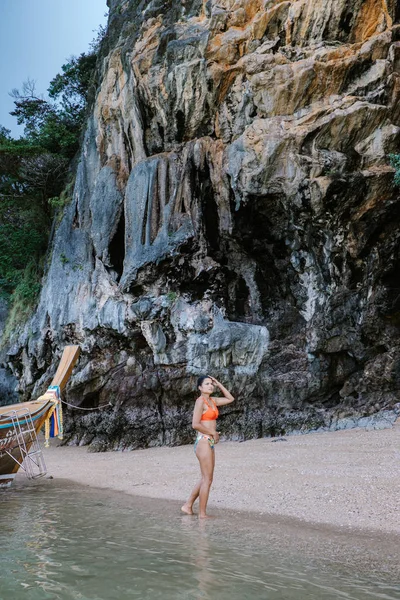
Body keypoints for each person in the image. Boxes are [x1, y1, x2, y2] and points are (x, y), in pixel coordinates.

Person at [181, 375, 234, 519]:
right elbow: (195, 424)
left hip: (209, 441)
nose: (210, 386)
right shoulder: (200, 401)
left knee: (206, 478)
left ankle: (188, 505)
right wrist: (213, 433)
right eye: (207, 384)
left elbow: (230, 399)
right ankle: (202, 514)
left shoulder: (213, 401)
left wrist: (219, 383)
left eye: (211, 384)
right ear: (200, 387)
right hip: (203, 440)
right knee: (207, 479)